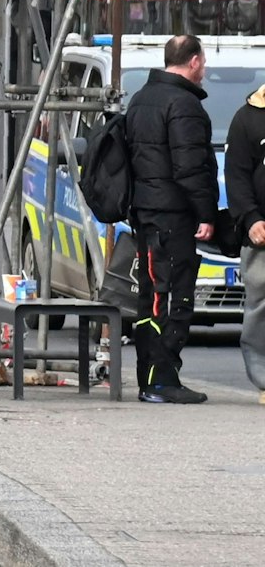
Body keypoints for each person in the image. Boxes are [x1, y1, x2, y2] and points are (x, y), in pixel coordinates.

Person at [122, 34, 220, 404]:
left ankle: (149, 378)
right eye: (203, 62)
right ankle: (162, 380)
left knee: (151, 296)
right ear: (194, 61)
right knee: (174, 297)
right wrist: (206, 213)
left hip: (146, 214)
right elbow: (190, 167)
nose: (204, 69)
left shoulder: (141, 98)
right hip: (173, 216)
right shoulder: (184, 104)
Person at [220, 76, 265, 401]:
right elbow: (236, 175)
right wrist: (251, 219)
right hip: (261, 234)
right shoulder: (248, 118)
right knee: (260, 307)